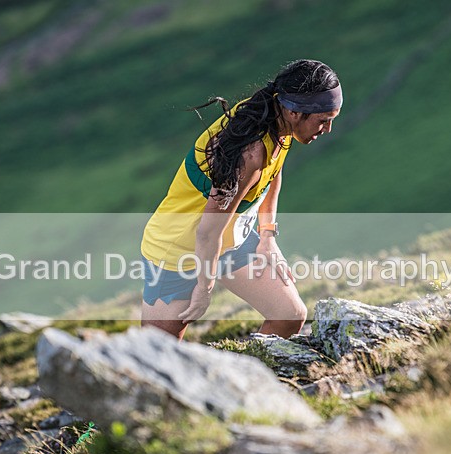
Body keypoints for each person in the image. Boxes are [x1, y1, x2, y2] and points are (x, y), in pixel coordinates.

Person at [141, 59, 342, 340]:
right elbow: (207, 232)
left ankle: (249, 380)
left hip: (231, 236)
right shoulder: (249, 151)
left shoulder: (276, 117)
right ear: (296, 113)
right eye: (324, 121)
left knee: (289, 316)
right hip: (181, 248)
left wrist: (267, 236)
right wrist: (203, 287)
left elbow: (274, 170)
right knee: (157, 351)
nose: (328, 129)